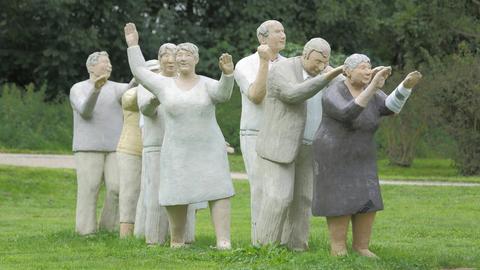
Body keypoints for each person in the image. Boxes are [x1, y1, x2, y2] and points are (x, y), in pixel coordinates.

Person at [124, 22, 235, 249]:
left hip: (209, 147)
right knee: (176, 191)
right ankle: (177, 240)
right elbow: (139, 72)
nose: (182, 59)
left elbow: (224, 95)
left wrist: (228, 74)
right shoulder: (164, 85)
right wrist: (133, 45)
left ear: (196, 59)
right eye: (179, 55)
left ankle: (223, 240)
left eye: (187, 55)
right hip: (176, 148)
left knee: (219, 189)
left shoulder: (206, 84)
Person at [312, 53, 422, 257]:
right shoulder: (333, 92)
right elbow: (349, 113)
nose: (368, 71)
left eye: (369, 67)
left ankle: (361, 246)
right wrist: (373, 87)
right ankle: (338, 247)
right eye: (362, 67)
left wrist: (405, 86)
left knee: (368, 197)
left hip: (362, 153)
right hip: (334, 154)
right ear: (347, 71)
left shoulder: (371, 91)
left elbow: (390, 108)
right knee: (340, 199)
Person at [254, 38, 344, 251]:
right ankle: (264, 247)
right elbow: (293, 94)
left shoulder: (327, 73)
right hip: (279, 146)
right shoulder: (281, 69)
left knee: (303, 199)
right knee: (279, 197)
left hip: (310, 146)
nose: (321, 67)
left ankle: (296, 246)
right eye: (317, 61)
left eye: (325, 62)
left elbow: (348, 91)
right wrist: (326, 76)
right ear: (306, 54)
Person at [69, 51, 133, 235]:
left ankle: (108, 228)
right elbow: (85, 111)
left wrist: (140, 71)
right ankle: (86, 231)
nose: (109, 65)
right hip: (88, 147)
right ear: (91, 67)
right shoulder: (78, 88)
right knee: (89, 189)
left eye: (110, 62)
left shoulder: (116, 88)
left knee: (117, 188)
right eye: (105, 62)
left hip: (114, 147)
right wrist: (95, 90)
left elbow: (132, 88)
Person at [234, 20, 286, 243]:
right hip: (254, 132)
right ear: (262, 39)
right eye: (277, 31)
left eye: (283, 31)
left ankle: (282, 240)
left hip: (283, 133)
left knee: (282, 190)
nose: (283, 35)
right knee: (261, 188)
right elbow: (256, 96)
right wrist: (265, 62)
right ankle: (259, 241)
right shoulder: (244, 64)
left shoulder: (290, 64)